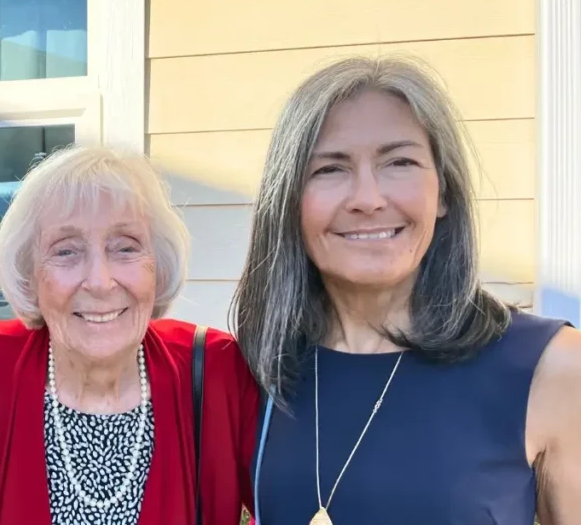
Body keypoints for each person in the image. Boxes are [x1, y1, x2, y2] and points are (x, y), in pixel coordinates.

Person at [236, 55, 581, 525]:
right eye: (330, 169)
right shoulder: (260, 371)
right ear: (289, 202)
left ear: (445, 194)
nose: (367, 199)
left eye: (399, 162)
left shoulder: (554, 368)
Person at [0, 145, 259, 525]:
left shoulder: (218, 368)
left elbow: (302, 499)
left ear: (158, 263)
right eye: (66, 251)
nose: (100, 282)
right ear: (29, 271)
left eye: (125, 247)